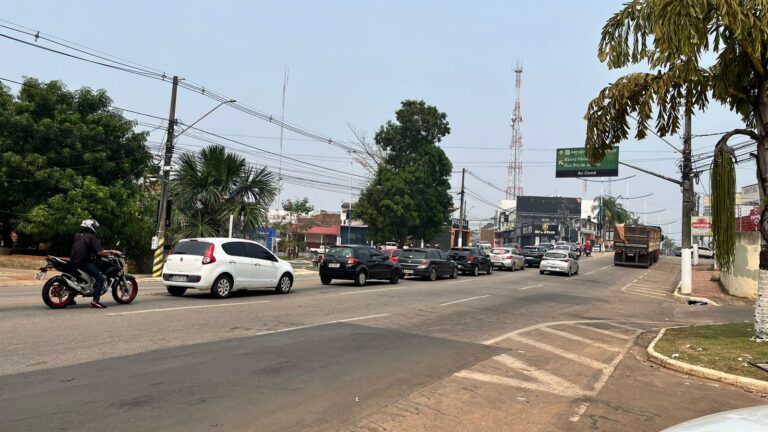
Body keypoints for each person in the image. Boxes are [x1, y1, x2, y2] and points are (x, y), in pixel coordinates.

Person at [70, 219, 118, 309]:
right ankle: (95, 301)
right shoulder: (91, 237)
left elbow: (82, 248)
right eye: (94, 226)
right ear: (90, 227)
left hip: (73, 261)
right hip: (83, 262)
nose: (95, 228)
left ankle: (70, 299)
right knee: (99, 278)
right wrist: (112, 251)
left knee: (77, 280)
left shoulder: (77, 236)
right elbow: (100, 252)